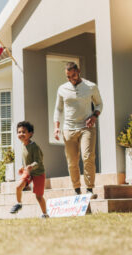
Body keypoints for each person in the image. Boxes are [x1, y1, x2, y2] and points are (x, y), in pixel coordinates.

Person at [53, 62, 103, 198]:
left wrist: (94, 116)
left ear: (79, 71)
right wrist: (56, 127)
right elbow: (58, 109)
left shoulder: (91, 86)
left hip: (87, 127)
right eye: (68, 77)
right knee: (72, 161)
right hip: (68, 129)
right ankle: (76, 189)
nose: (71, 79)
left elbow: (99, 104)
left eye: (73, 75)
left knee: (88, 157)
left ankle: (90, 189)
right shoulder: (62, 89)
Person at [9, 121, 49, 219]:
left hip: (38, 173)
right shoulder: (23, 145)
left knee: (39, 196)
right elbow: (26, 160)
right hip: (28, 172)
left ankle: (45, 214)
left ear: (30, 134)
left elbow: (39, 161)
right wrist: (23, 168)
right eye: (19, 132)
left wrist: (31, 166)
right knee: (18, 187)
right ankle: (19, 203)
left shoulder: (34, 146)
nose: (21, 134)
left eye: (23, 132)